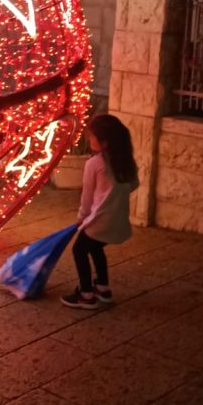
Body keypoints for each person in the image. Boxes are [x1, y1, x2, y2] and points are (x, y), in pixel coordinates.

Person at [61, 114, 139, 310]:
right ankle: (103, 288)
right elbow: (134, 184)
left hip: (99, 221)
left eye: (92, 137)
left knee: (79, 250)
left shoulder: (95, 164)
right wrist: (115, 197)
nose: (89, 140)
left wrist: (81, 218)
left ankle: (86, 294)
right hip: (117, 221)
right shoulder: (126, 161)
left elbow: (86, 198)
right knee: (95, 248)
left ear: (104, 143)